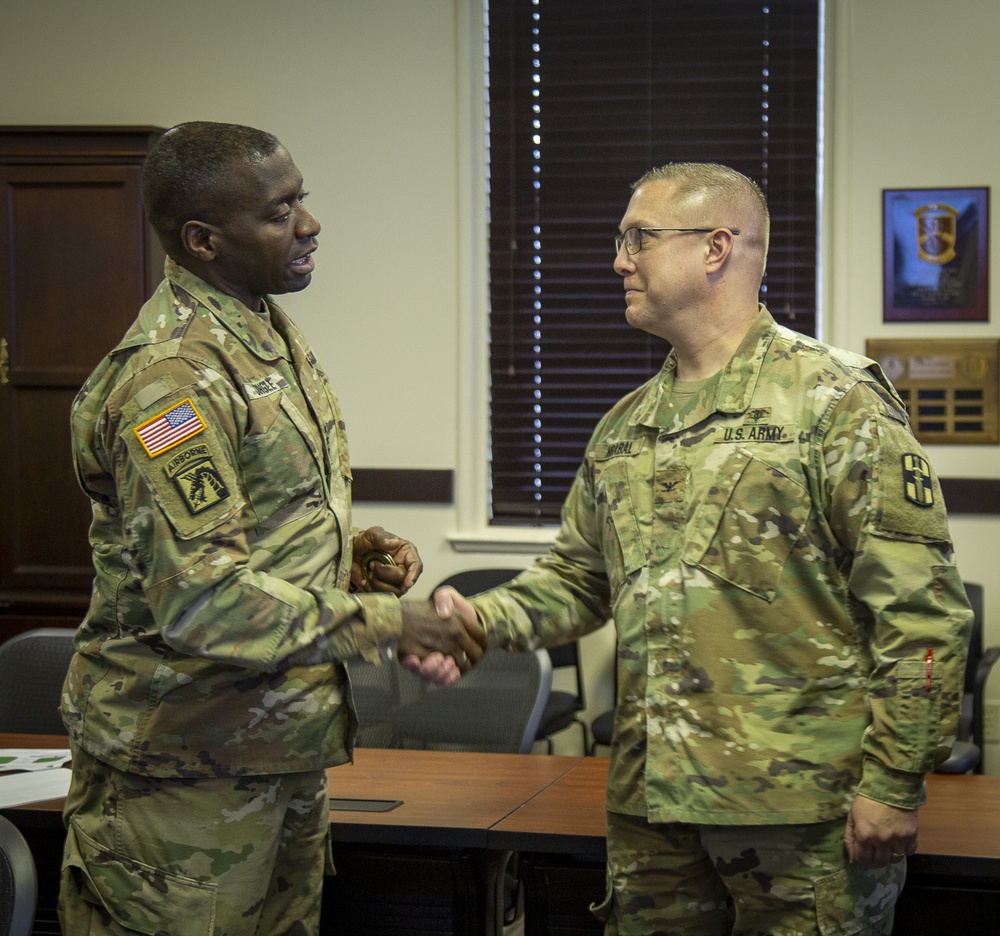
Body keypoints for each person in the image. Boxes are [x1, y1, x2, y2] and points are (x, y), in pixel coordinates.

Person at [435, 163, 971, 935]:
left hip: (801, 813)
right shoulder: (626, 424)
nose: (620, 260)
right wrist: (474, 622)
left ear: (716, 248)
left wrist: (894, 779)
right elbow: (578, 580)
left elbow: (920, 611)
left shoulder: (835, 401)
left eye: (639, 239)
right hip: (653, 806)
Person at [59, 121, 486, 935]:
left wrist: (349, 564)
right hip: (180, 776)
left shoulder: (263, 336)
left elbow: (249, 530)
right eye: (280, 211)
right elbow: (202, 603)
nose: (309, 224)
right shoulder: (172, 381)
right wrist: (393, 622)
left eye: (303, 201)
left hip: (276, 751)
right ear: (203, 240)